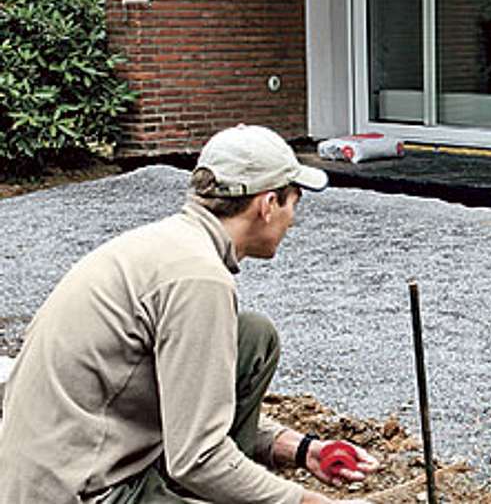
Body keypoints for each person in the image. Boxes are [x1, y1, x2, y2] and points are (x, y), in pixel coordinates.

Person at [0, 125, 379, 503]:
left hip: (80, 462)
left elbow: (188, 404)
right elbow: (197, 458)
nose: (293, 219)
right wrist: (308, 502)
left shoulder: (169, 244)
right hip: (79, 491)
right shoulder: (199, 279)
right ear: (267, 205)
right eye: (294, 201)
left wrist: (301, 449)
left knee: (251, 337)